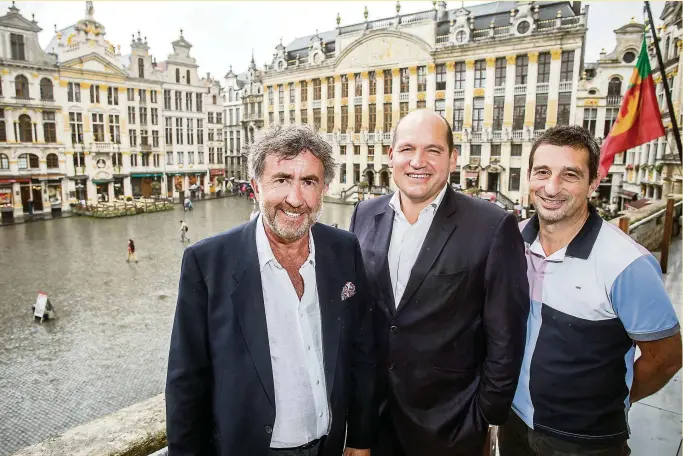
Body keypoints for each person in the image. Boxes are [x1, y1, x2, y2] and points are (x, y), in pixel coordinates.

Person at [166, 123, 376, 456]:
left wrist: (361, 437)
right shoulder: (206, 263)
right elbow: (186, 383)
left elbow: (363, 352)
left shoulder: (344, 248)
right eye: (281, 180)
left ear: (322, 190)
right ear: (255, 186)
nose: (295, 199)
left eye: (308, 182)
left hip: (331, 447)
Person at [349, 109, 530, 456]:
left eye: (433, 150)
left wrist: (485, 417)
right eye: (407, 149)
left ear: (452, 158)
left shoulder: (492, 226)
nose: (418, 161)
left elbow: (506, 335)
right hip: (375, 419)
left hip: (450, 425)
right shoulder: (364, 214)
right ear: (391, 156)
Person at [498, 125, 682, 456]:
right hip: (513, 422)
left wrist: (608, 401)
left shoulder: (627, 264)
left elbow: (665, 360)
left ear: (593, 183)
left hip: (586, 441)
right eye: (542, 172)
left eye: (570, 175)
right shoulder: (510, 240)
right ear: (529, 177)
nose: (551, 187)